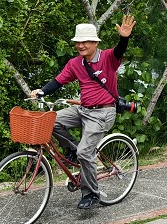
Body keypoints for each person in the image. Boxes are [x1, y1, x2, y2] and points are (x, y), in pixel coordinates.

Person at [32, 15, 136, 210]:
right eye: (78, 42)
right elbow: (58, 81)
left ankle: (91, 193)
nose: (81, 45)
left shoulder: (107, 58)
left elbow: (119, 50)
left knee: (85, 152)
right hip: (82, 109)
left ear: (95, 43)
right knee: (50, 120)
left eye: (85, 41)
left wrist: (124, 38)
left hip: (102, 113)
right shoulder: (75, 64)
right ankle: (72, 149)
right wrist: (42, 91)